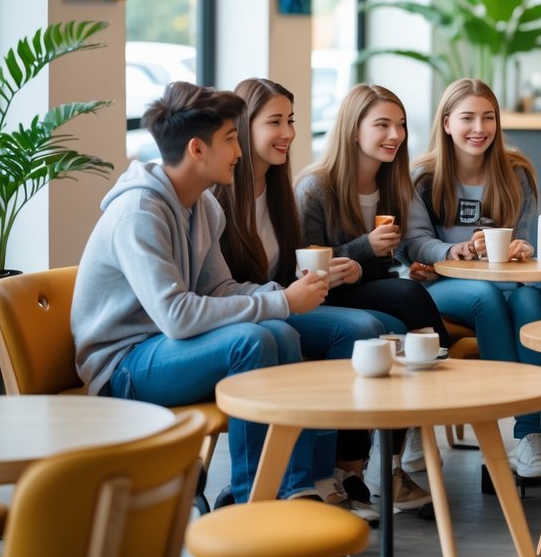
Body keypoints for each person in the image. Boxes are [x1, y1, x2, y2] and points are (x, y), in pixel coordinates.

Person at [72, 81, 326, 504]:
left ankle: (293, 493)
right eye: (230, 139)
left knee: (283, 333)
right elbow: (175, 315)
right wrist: (280, 302)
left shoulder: (205, 205)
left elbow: (218, 287)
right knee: (252, 340)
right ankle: (250, 504)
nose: (240, 151)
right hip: (124, 366)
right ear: (197, 149)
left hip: (168, 348)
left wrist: (282, 293)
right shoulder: (138, 214)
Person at [403, 78, 541, 487]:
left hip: (508, 284)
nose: (479, 128)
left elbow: (526, 240)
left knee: (531, 308)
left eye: (488, 117)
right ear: (445, 123)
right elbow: (414, 242)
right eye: (467, 118)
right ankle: (524, 433)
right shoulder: (423, 177)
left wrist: (521, 250)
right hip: (446, 285)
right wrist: (450, 251)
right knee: (485, 297)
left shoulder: (516, 172)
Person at [214, 77, 391, 526]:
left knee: (365, 327)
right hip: (237, 316)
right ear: (241, 125)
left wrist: (332, 270)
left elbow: (286, 272)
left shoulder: (277, 189)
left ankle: (329, 472)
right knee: (300, 332)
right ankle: (301, 481)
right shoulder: (217, 195)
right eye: (274, 122)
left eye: (290, 121)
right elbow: (217, 286)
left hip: (277, 304)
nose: (288, 133)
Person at [295, 82, 450, 512]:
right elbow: (307, 267)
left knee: (402, 321)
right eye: (382, 125)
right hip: (323, 300)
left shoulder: (393, 185)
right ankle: (442, 386)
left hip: (367, 294)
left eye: (399, 125)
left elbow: (389, 265)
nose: (395, 136)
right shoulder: (316, 187)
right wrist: (366, 250)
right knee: (407, 302)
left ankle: (378, 466)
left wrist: (407, 265)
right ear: (352, 129)